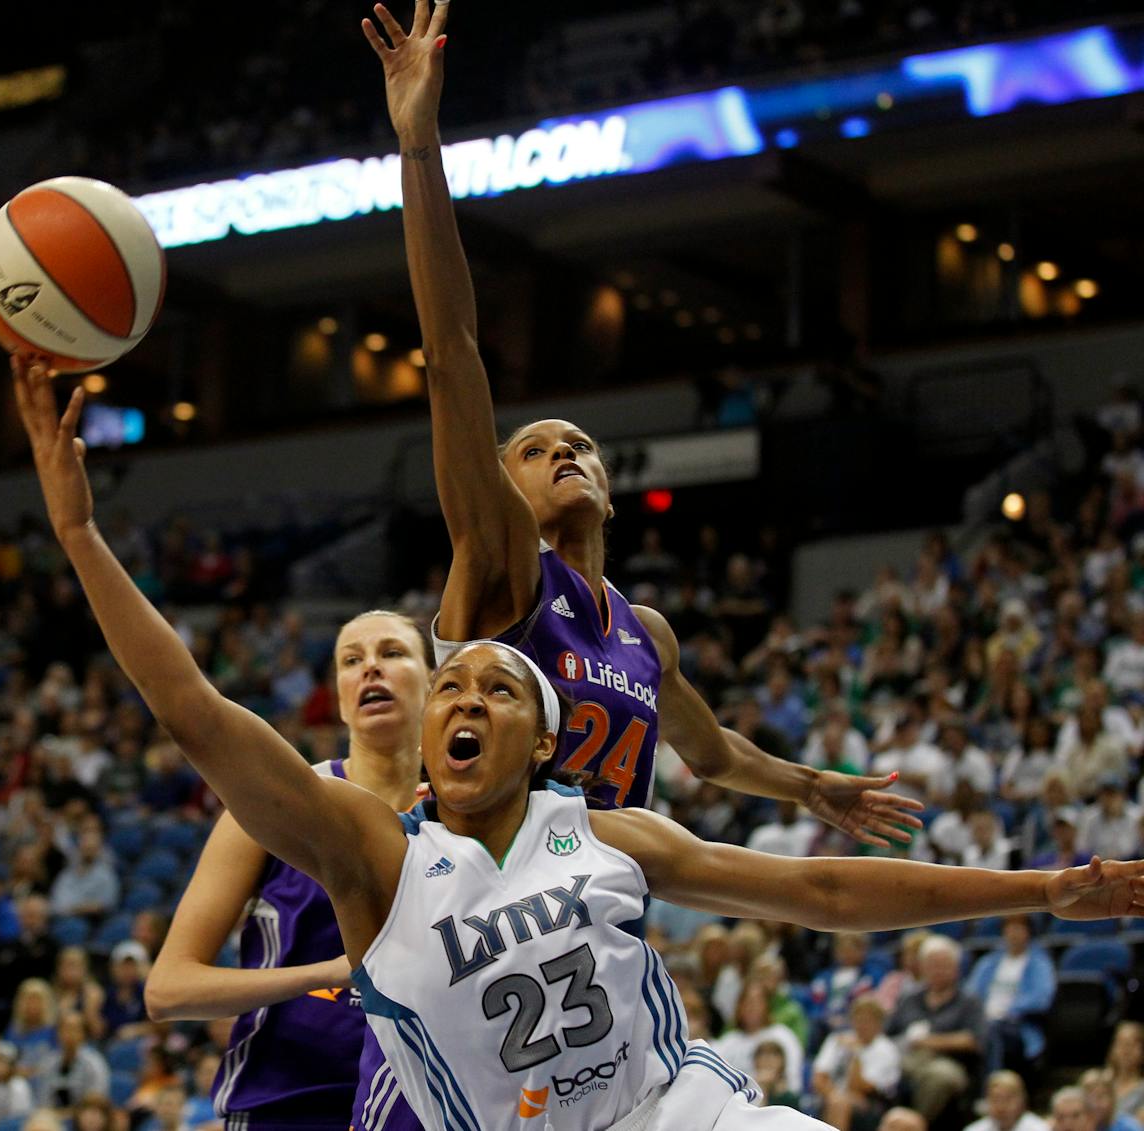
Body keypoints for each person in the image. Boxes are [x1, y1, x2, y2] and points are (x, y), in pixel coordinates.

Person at [13, 359, 1144, 1131]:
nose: (455, 690)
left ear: (535, 729)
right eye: (438, 676)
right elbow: (195, 710)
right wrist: (76, 532)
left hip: (643, 1070)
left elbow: (815, 881)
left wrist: (1034, 884)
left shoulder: (616, 776)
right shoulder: (389, 842)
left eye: (487, 683)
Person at [362, 0, 921, 837]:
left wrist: (809, 787)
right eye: (538, 449)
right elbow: (450, 351)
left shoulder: (644, 631)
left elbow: (714, 754)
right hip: (489, 899)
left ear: (613, 492)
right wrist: (417, 142)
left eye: (582, 447)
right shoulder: (505, 564)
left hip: (595, 909)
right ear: (501, 486)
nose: (568, 455)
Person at [143, 608, 430, 1131]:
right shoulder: (272, 809)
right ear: (340, 699)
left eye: (391, 653)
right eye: (351, 660)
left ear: (434, 684)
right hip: (289, 1102)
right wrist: (332, 972)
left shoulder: (461, 817)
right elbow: (168, 988)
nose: (371, 668)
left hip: (428, 1103)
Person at [885, 935, 985, 1125]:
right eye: (932, 965)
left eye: (943, 965)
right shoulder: (909, 999)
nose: (937, 971)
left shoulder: (969, 1002)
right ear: (922, 968)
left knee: (938, 1076)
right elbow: (887, 1036)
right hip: (908, 1058)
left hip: (950, 1063)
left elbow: (973, 1040)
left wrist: (928, 1041)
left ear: (956, 968)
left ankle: (915, 1125)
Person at [963, 914, 1055, 1075]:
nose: (1013, 933)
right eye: (1010, 928)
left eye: (1019, 928)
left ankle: (991, 1082)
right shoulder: (988, 963)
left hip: (1016, 1027)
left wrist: (1008, 1011)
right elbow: (970, 994)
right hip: (982, 1022)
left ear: (1028, 932)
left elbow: (1041, 998)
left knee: (993, 1030)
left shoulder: (1039, 963)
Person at [811, 997, 900, 1131]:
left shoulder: (886, 1049)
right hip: (833, 1096)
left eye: (868, 1021)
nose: (862, 1025)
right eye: (858, 1019)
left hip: (872, 1104)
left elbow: (861, 1087)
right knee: (837, 1102)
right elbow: (818, 1079)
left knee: (840, 1103)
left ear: (879, 1024)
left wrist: (856, 1054)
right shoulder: (837, 1040)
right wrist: (833, 1094)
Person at [963, 1071, 1048, 1131]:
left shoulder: (1039, 1128)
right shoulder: (975, 1129)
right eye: (995, 1099)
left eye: (1008, 1099)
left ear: (1022, 1101)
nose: (1001, 1106)